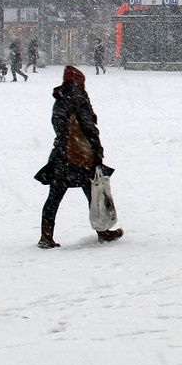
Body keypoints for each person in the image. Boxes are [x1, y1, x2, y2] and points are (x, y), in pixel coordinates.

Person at [33, 65, 121, 247]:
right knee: (93, 192)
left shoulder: (60, 98)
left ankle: (46, 236)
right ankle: (102, 232)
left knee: (54, 197)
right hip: (80, 156)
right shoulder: (79, 98)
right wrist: (97, 152)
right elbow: (89, 128)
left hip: (61, 155)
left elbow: (58, 126)